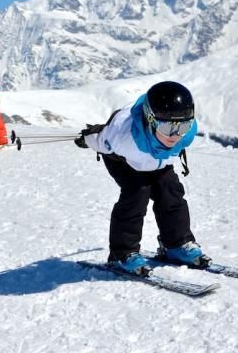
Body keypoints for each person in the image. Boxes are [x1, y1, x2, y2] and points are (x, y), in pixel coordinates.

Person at [74, 81, 210, 275]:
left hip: (155, 160)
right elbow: (101, 139)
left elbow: (174, 133)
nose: (175, 135)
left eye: (183, 126)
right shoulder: (122, 136)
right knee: (137, 193)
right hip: (123, 160)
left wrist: (173, 131)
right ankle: (123, 254)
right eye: (167, 128)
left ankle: (176, 244)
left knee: (170, 190)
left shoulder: (185, 134)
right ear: (151, 119)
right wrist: (86, 138)